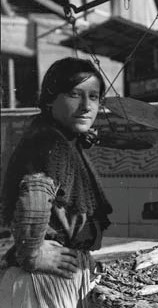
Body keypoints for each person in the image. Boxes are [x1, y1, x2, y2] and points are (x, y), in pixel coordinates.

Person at [0, 57, 113, 307]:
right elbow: (34, 194)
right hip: (40, 281)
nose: (86, 106)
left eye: (94, 97)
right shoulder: (49, 142)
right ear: (50, 98)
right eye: (75, 94)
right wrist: (33, 253)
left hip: (56, 278)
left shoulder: (60, 138)